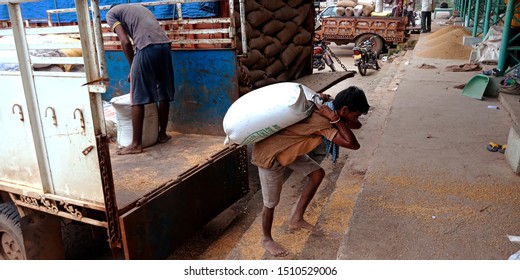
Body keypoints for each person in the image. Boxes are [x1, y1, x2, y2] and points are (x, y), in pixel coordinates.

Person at [251, 86, 370, 257]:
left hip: (289, 149)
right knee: (270, 203)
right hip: (272, 155)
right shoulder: (324, 122)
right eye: (355, 114)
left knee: (317, 173)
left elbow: (355, 125)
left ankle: (296, 219)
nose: (356, 119)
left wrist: (336, 116)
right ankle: (266, 239)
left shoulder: (327, 106)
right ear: (344, 110)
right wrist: (334, 118)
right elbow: (353, 144)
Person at [106, 4, 175, 155]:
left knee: (136, 96)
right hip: (165, 46)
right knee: (163, 92)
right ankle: (162, 135)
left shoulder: (111, 13)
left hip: (147, 47)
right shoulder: (138, 8)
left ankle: (136, 144)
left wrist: (133, 68)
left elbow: (125, 42)